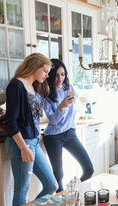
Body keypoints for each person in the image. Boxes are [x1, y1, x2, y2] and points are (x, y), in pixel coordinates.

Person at [5, 53, 57, 206]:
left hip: (33, 142)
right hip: (22, 143)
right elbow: (11, 121)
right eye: (45, 71)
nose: (47, 75)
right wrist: (23, 147)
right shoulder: (16, 85)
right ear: (35, 66)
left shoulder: (33, 86)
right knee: (22, 189)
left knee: (51, 185)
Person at [42, 59, 94, 192]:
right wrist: (61, 107)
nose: (60, 78)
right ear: (50, 76)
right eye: (56, 75)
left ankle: (72, 190)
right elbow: (53, 121)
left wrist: (80, 112)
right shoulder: (46, 95)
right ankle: (62, 203)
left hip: (70, 133)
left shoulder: (69, 88)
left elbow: (78, 103)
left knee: (89, 170)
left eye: (62, 74)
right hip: (53, 136)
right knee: (58, 176)